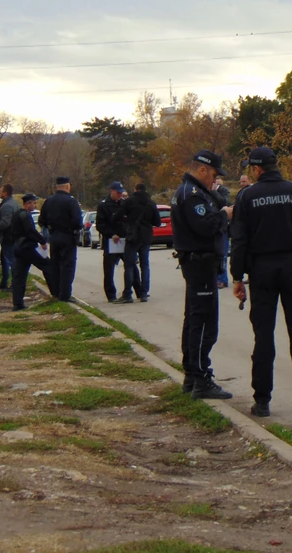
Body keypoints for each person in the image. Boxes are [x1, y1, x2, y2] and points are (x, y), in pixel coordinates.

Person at [230, 146, 292, 418]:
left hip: (261, 270)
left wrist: (237, 277)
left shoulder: (247, 197)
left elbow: (239, 241)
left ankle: (262, 401)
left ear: (257, 169)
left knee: (263, 335)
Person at [171, 150, 235, 399]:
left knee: (195, 319)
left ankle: (192, 375)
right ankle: (200, 377)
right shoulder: (192, 195)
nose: (215, 180)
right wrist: (224, 216)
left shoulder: (193, 192)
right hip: (200, 263)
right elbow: (205, 226)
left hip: (200, 263)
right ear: (202, 170)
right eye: (214, 175)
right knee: (203, 322)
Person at [112, 182, 161, 303]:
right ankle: (143, 293)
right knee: (145, 265)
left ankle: (127, 294)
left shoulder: (130, 201)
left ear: (135, 189)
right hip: (146, 237)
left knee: (129, 265)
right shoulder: (151, 203)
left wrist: (127, 219)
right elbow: (158, 222)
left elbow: (117, 216)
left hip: (133, 237)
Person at [38, 176, 83, 302]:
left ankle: (56, 292)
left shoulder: (49, 201)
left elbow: (42, 220)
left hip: (54, 236)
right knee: (67, 266)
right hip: (68, 236)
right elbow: (77, 221)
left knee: (55, 264)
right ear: (68, 186)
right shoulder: (71, 201)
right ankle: (65, 294)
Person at [9, 193, 51, 311]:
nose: (36, 206)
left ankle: (17, 303)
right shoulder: (25, 215)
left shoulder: (17, 214)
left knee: (19, 276)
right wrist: (42, 241)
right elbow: (30, 231)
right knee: (48, 265)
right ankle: (56, 292)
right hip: (27, 247)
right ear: (28, 204)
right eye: (34, 203)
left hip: (18, 247)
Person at [95, 182, 126, 303]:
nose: (119, 195)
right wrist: (111, 234)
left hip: (123, 240)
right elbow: (100, 225)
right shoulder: (104, 205)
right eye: (117, 192)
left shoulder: (123, 203)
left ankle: (137, 290)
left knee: (131, 266)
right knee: (109, 270)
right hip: (111, 242)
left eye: (121, 193)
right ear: (112, 191)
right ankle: (110, 294)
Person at [213, 178, 232, 288]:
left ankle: (222, 279)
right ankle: (215, 278)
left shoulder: (223, 191)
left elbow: (224, 202)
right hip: (213, 226)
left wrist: (214, 191)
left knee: (222, 254)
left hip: (222, 228)